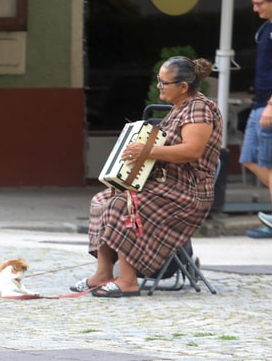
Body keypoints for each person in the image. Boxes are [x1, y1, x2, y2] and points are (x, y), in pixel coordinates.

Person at [72, 57, 222, 297]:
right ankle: (102, 273)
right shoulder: (179, 108)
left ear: (183, 87)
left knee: (123, 205)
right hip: (164, 186)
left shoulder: (199, 108)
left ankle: (128, 280)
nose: (159, 86)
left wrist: (148, 151)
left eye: (163, 82)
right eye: (159, 81)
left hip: (187, 191)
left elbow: (192, 150)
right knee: (102, 199)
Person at [242, 0, 272, 238]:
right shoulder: (265, 29)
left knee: (270, 163)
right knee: (249, 158)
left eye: (259, 3)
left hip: (270, 105)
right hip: (259, 102)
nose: (255, 8)